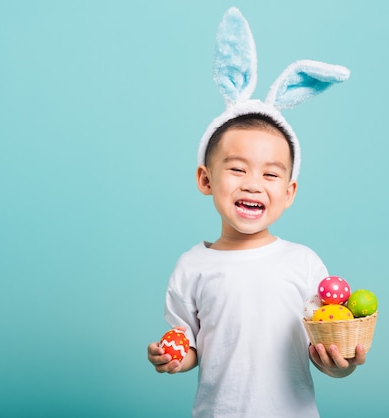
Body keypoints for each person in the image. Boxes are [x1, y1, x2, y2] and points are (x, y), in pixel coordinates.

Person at [146, 7, 365, 418]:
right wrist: (174, 357)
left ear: (288, 193)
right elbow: (189, 345)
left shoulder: (303, 263)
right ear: (205, 179)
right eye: (237, 168)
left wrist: (341, 364)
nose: (252, 183)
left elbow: (323, 348)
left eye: (270, 174)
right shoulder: (191, 266)